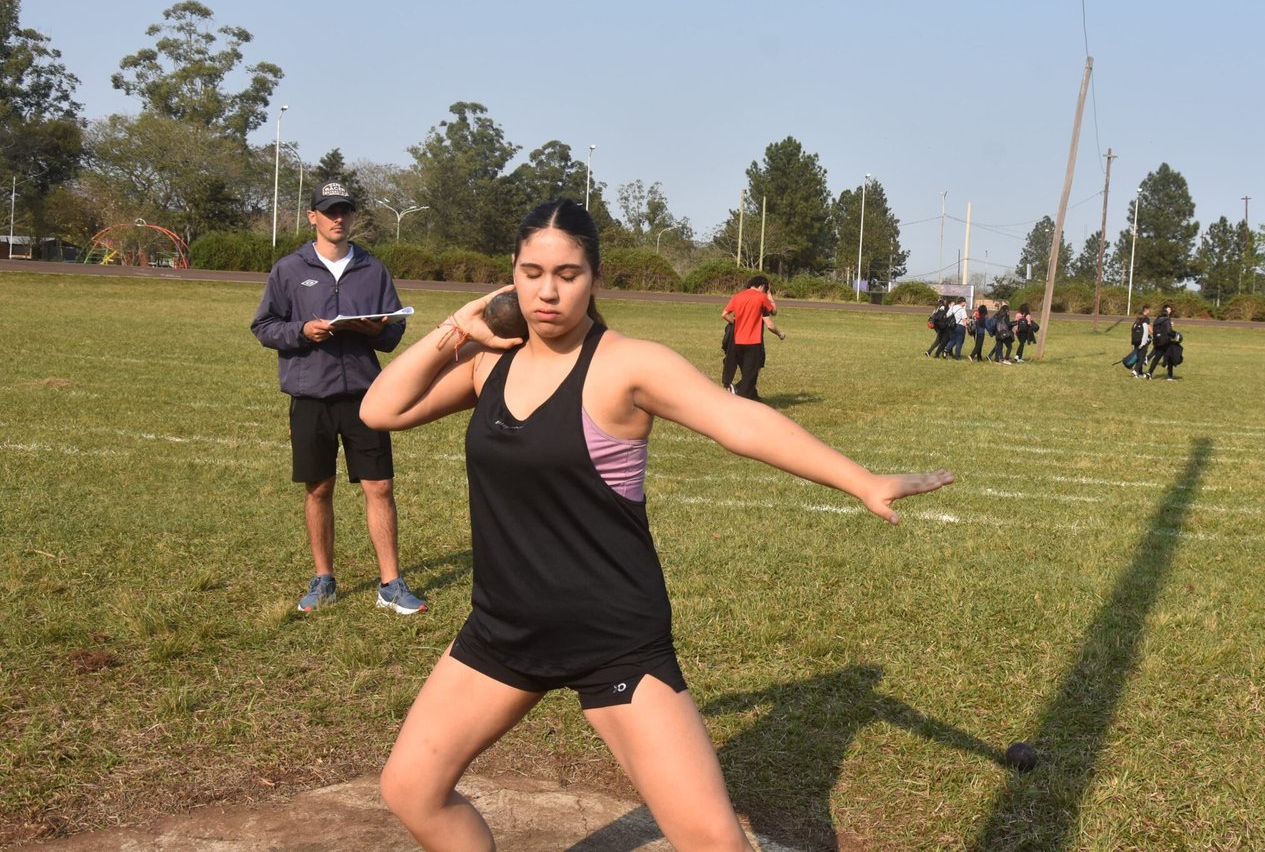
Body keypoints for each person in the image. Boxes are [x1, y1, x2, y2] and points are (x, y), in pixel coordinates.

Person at [358, 199, 954, 852]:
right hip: (503, 629)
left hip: (610, 636)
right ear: (511, 277)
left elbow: (739, 422)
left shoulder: (626, 365)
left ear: (596, 277)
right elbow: (381, 410)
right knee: (412, 789)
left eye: (568, 273)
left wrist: (861, 480)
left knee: (712, 842)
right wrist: (458, 330)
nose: (548, 291)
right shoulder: (486, 363)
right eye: (532, 273)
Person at [250, 181, 424, 615]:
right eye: (329, 211)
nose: (338, 218)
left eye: (344, 210)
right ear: (312, 216)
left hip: (367, 396)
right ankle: (323, 578)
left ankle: (391, 583)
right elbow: (264, 326)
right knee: (319, 487)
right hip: (311, 395)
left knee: (379, 486)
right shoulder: (290, 268)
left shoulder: (372, 268)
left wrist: (376, 330)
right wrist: (301, 332)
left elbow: (394, 330)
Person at [721, 275, 784, 400]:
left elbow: (724, 314)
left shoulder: (737, 296)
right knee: (751, 373)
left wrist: (736, 322)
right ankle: (737, 393)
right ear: (762, 287)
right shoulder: (761, 297)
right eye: (766, 289)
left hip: (736, 341)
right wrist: (769, 296)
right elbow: (773, 313)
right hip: (753, 342)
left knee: (747, 372)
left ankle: (753, 397)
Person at [1151, 302, 1178, 381]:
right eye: (1169, 309)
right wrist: (1175, 335)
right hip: (1165, 341)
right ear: (1165, 310)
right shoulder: (1166, 319)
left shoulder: (1158, 319)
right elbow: (1168, 331)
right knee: (1170, 357)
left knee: (1156, 357)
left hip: (1158, 341)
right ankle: (1169, 375)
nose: (1170, 310)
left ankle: (1149, 373)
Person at [1130, 305, 1153, 377]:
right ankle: (1136, 370)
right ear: (1146, 310)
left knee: (1138, 356)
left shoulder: (1138, 318)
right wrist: (1154, 334)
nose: (1149, 311)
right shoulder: (1146, 319)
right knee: (1142, 356)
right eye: (1149, 310)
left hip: (1136, 340)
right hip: (1142, 340)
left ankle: (1140, 372)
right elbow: (1148, 329)